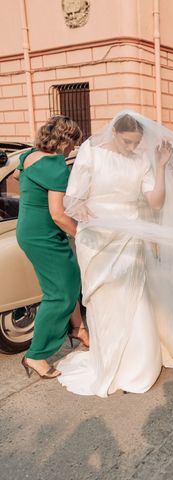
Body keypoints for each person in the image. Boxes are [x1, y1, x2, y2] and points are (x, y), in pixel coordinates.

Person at [57, 111, 173, 397]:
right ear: (115, 133)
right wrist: (82, 210)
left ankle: (136, 366)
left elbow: (155, 203)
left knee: (135, 299)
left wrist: (159, 167)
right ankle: (108, 363)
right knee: (104, 302)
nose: (132, 148)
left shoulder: (141, 161)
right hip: (97, 238)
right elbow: (74, 198)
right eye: (128, 142)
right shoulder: (90, 154)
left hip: (130, 237)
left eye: (136, 143)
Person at [15, 115, 87, 379]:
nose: (72, 149)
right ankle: (36, 355)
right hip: (44, 235)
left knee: (70, 279)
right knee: (59, 295)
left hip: (31, 231)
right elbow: (58, 214)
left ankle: (78, 330)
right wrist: (81, 233)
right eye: (73, 143)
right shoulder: (56, 167)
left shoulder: (30, 156)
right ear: (65, 140)